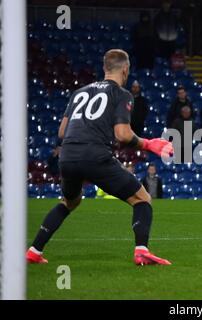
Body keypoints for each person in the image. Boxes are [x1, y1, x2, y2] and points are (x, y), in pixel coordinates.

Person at [26, 49, 174, 266]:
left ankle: (34, 250)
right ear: (125, 69)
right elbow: (122, 134)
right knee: (142, 199)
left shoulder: (79, 92)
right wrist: (148, 143)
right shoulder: (122, 94)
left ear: (105, 68)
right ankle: (141, 250)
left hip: (67, 156)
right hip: (94, 154)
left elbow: (61, 133)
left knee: (69, 201)